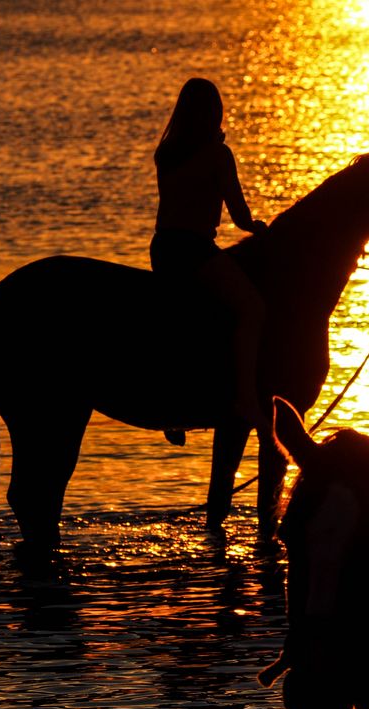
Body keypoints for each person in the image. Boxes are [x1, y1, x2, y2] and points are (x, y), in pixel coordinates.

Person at [151, 77, 268, 446]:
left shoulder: (166, 152)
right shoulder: (219, 155)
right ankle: (247, 397)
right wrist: (260, 229)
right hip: (194, 248)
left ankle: (173, 403)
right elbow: (239, 215)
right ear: (213, 113)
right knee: (252, 309)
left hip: (162, 248)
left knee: (184, 321)